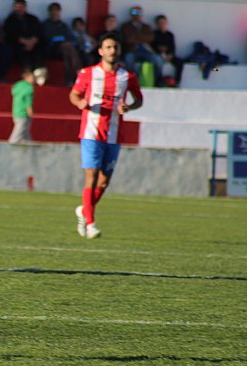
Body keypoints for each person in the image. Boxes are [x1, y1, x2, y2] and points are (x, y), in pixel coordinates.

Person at [69, 33, 142, 239]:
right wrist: (79, 103)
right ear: (100, 51)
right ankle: (91, 223)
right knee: (91, 178)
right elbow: (74, 94)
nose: (112, 51)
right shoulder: (88, 73)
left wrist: (129, 106)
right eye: (108, 47)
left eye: (115, 47)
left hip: (114, 134)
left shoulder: (127, 77)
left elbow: (139, 99)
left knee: (104, 182)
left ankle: (84, 210)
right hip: (91, 132)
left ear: (119, 51)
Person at [3, 0, 47, 86]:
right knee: (22, 54)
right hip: (18, 45)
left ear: (25, 7)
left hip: (34, 44)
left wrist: (33, 41)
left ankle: (40, 73)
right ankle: (28, 74)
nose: (19, 9)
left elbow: (39, 32)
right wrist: (24, 42)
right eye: (17, 7)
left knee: (40, 50)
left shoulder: (32, 19)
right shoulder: (10, 20)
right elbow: (10, 34)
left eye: (21, 7)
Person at [119, 5, 163, 85]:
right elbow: (128, 39)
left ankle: (157, 81)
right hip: (132, 50)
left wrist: (135, 37)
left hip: (146, 50)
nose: (137, 14)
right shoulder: (125, 26)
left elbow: (150, 38)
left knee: (158, 60)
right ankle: (132, 82)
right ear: (131, 14)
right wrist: (142, 38)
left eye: (139, 12)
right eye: (134, 12)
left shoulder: (146, 26)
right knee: (128, 59)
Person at [42, 2, 81, 86]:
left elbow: (72, 39)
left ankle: (69, 80)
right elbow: (47, 39)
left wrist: (66, 42)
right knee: (67, 46)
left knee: (67, 49)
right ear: (50, 12)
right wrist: (61, 40)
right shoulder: (45, 24)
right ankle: (78, 70)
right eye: (53, 10)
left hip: (64, 50)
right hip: (51, 50)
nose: (55, 12)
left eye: (56, 10)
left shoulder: (63, 25)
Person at [152, 14, 182, 86]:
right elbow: (153, 46)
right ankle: (158, 82)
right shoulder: (154, 34)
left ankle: (176, 82)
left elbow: (172, 47)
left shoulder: (170, 35)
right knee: (157, 62)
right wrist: (160, 50)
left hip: (168, 56)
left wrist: (170, 55)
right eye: (160, 23)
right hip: (158, 55)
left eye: (163, 23)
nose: (162, 25)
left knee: (180, 62)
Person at [8, 70, 34, 144]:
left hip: (16, 112)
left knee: (25, 132)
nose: (33, 79)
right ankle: (9, 147)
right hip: (23, 113)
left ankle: (30, 147)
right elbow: (28, 101)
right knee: (18, 133)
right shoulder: (28, 88)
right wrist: (30, 111)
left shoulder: (17, 85)